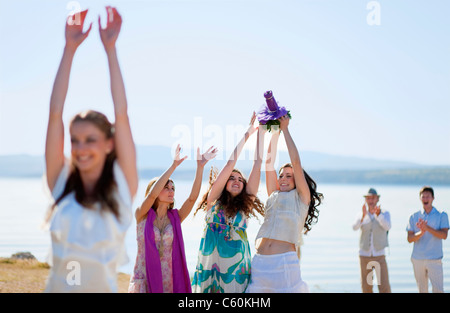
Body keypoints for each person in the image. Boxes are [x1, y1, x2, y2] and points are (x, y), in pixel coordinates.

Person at [44, 7, 138, 292]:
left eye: (90, 139)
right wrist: (69, 49)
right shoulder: (61, 184)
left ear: (110, 144)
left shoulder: (122, 186)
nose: (80, 148)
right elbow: (55, 113)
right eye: (75, 140)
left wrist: (110, 49)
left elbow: (121, 113)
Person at [246, 114, 323, 293]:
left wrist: (286, 129)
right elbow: (268, 163)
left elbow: (296, 162)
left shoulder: (301, 199)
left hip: (284, 264)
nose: (283, 178)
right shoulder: (274, 194)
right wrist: (274, 132)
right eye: (281, 175)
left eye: (289, 176)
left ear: (298, 180)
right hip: (260, 263)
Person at [191, 112, 265, 293]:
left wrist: (261, 133)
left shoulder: (245, 207)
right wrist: (247, 134)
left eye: (240, 179)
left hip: (237, 272)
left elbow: (258, 163)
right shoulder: (213, 201)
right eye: (231, 178)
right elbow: (230, 163)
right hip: (210, 268)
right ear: (224, 183)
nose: (236, 180)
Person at [128, 145, 217, 293]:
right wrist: (173, 166)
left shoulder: (175, 218)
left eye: (173, 188)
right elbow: (151, 196)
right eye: (166, 187)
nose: (171, 191)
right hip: (144, 278)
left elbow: (192, 199)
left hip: (168, 280)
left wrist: (200, 168)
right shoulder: (141, 214)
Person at [406, 186, 449, 293]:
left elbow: (444, 235)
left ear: (433, 198)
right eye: (423, 196)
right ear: (420, 198)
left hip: (434, 259)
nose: (425, 199)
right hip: (417, 259)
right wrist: (421, 232)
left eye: (428, 196)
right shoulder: (413, 216)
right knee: (422, 290)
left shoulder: (441, 215)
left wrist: (427, 228)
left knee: (438, 290)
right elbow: (409, 239)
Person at [352, 188, 391, 293]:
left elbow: (387, 226)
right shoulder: (361, 214)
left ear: (377, 199)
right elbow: (354, 227)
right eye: (368, 198)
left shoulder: (385, 213)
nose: (371, 201)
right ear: (366, 200)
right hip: (364, 255)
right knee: (366, 286)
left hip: (379, 255)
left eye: (373, 198)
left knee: (384, 285)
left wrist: (378, 216)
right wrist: (363, 216)